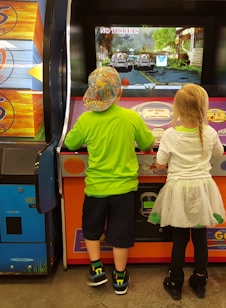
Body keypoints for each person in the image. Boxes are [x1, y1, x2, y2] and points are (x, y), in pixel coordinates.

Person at [64, 66, 155, 295]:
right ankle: (120, 277)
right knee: (120, 235)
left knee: (92, 230)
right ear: (119, 94)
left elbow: (71, 144)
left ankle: (96, 269)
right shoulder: (131, 117)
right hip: (124, 190)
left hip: (96, 189)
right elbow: (147, 143)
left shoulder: (85, 119)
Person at [147, 83, 226, 300]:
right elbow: (219, 153)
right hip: (202, 191)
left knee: (180, 239)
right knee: (200, 238)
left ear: (178, 109)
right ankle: (200, 281)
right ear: (203, 108)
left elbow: (161, 164)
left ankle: (175, 282)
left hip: (179, 192)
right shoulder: (210, 132)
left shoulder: (171, 135)